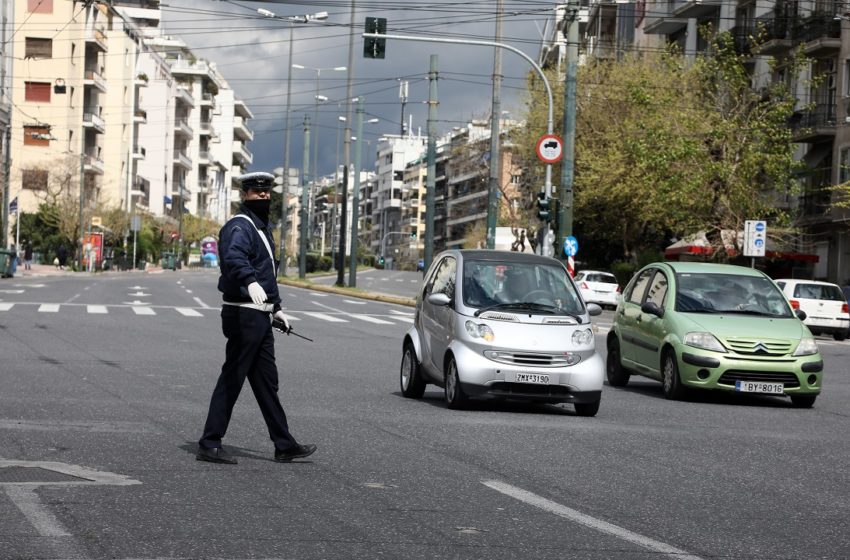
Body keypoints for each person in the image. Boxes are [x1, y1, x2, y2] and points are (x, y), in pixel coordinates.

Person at [197, 172, 316, 465]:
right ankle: (209, 443)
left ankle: (284, 444)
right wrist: (249, 281)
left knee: (266, 383)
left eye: (266, 192)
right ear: (245, 194)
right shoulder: (240, 226)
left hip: (259, 316)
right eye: (256, 192)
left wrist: (276, 309)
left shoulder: (262, 229)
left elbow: (267, 275)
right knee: (233, 378)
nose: (263, 196)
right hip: (242, 314)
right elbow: (234, 257)